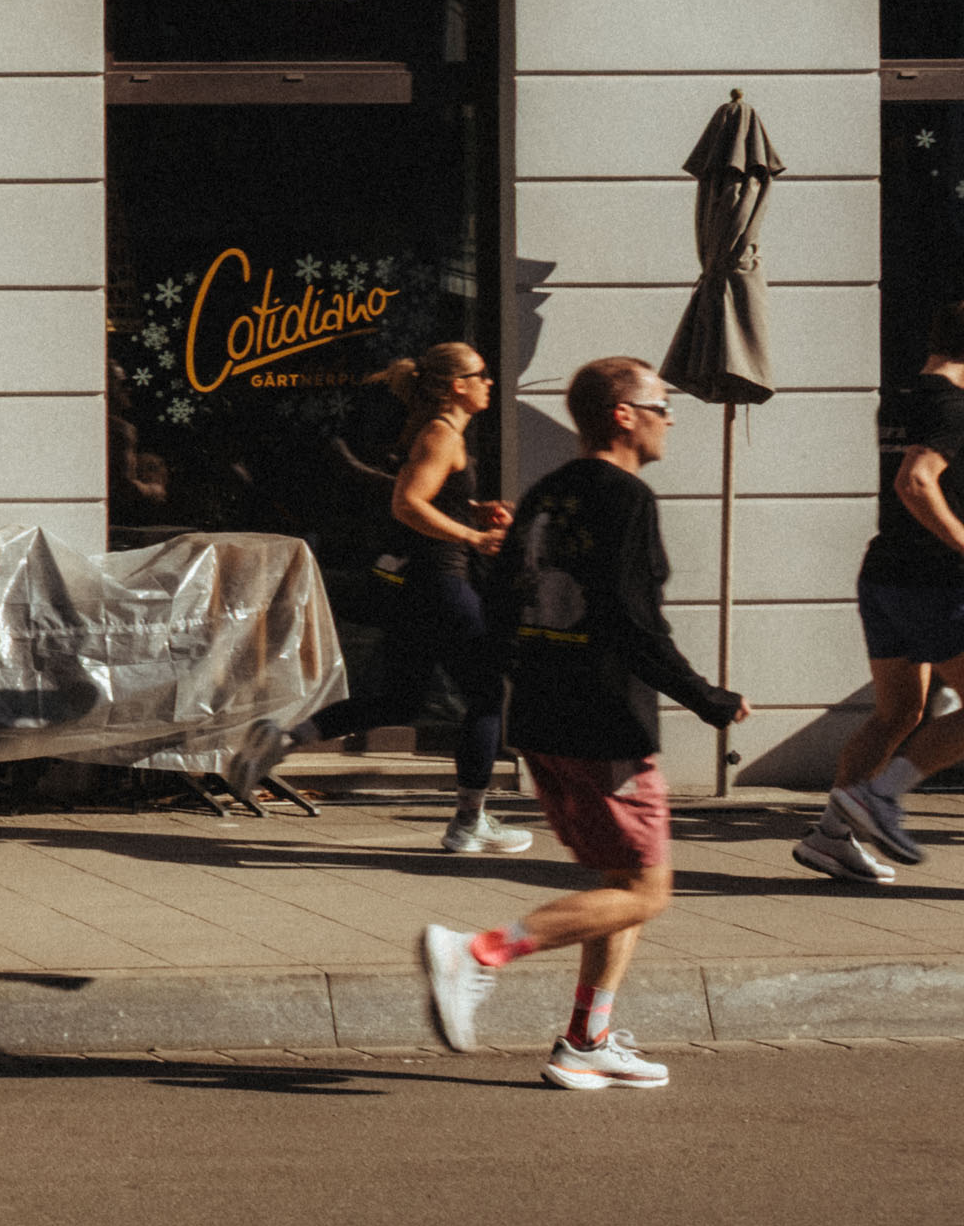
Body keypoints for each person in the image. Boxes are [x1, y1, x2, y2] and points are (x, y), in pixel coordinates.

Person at [418, 357, 746, 1088]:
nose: (669, 419)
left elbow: (501, 597)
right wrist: (708, 699)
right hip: (605, 721)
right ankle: (478, 952)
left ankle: (585, 1041)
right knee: (647, 892)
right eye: (661, 405)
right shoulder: (626, 498)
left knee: (618, 882)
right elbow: (634, 623)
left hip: (543, 714)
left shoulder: (545, 493)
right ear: (624, 415)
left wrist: (515, 678)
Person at [288, 343, 528, 854]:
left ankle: (284, 737)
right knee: (486, 695)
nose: (489, 381)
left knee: (398, 700)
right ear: (456, 386)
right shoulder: (442, 434)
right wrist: (472, 536)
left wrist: (472, 510)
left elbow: (431, 498)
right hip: (444, 584)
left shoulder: (440, 433)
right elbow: (408, 504)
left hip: (422, 588)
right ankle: (468, 822)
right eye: (481, 374)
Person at [796, 301, 964, 884]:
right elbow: (915, 481)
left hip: (885, 573)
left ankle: (830, 836)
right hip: (936, 581)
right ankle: (880, 795)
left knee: (899, 713)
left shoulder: (903, 397)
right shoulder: (952, 404)